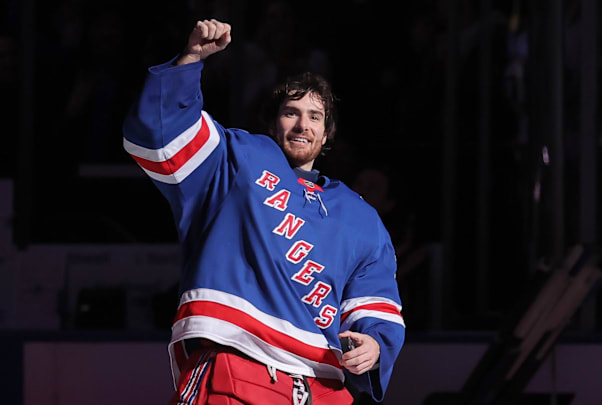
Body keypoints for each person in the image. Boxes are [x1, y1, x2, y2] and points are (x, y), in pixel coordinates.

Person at [123, 19, 405, 404]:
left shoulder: (362, 218)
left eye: (315, 116)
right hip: (236, 367)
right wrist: (190, 61)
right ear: (273, 121)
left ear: (327, 134)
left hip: (323, 388)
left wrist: (373, 346)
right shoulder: (237, 159)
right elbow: (160, 136)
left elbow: (374, 304)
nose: (302, 124)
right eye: (291, 111)